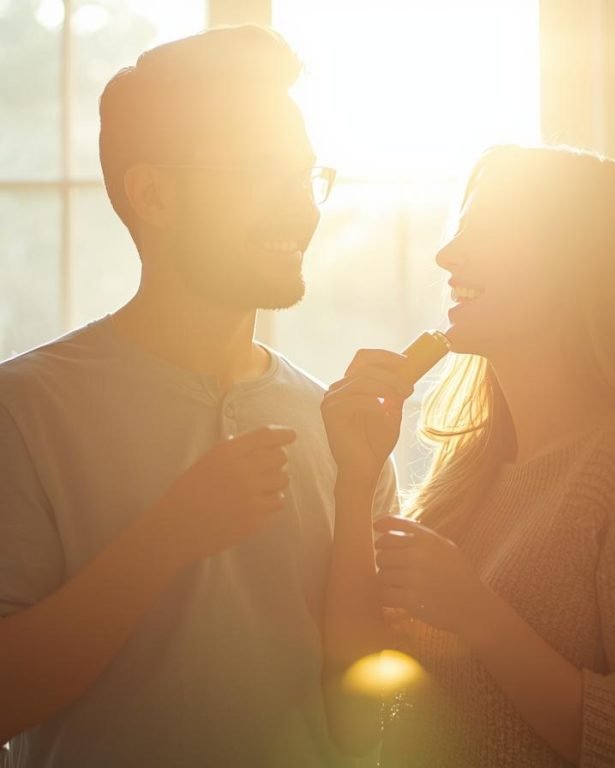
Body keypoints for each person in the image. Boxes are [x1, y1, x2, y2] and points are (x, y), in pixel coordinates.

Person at [0, 26, 394, 768]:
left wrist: (359, 493)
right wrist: (169, 537)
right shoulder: (22, 413)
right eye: (260, 172)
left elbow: (363, 729)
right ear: (154, 194)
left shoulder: (337, 434)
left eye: (307, 176)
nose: (303, 211)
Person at [321, 144, 615, 767]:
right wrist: (355, 481)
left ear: (578, 266)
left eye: (489, 230)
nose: (447, 255)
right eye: (459, 228)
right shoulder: (474, 470)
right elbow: (353, 717)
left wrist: (479, 618)